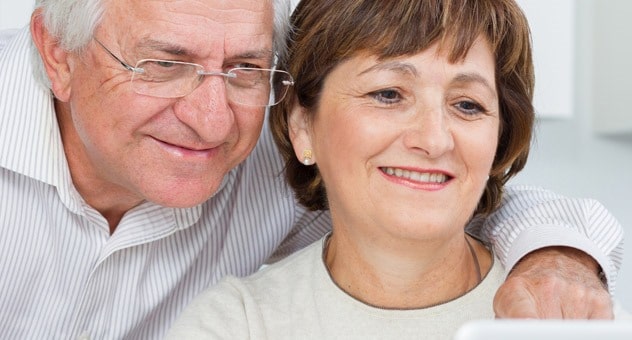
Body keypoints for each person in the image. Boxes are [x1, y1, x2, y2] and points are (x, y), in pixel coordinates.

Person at [0, 0, 623, 338]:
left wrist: (558, 259)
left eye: (245, 67)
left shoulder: (268, 153)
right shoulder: (241, 318)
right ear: (58, 55)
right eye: (164, 64)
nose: (213, 121)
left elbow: (469, 200)